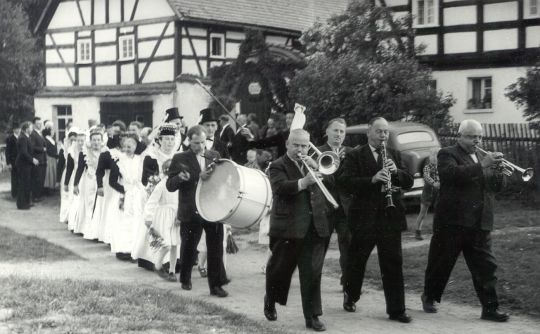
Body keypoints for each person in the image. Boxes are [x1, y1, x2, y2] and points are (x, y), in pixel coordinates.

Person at [421, 119, 509, 322]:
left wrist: (497, 172)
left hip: (479, 223)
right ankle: (429, 296)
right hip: (453, 222)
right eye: (471, 136)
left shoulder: (482, 156)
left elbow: (496, 187)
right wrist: (483, 166)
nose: (476, 140)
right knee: (441, 264)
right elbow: (451, 176)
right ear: (460, 136)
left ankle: (490, 309)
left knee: (486, 267)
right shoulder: (448, 154)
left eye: (479, 136)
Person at [337, 117, 413, 323]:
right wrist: (371, 180)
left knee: (393, 263)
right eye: (379, 131)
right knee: (357, 260)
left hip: (390, 217)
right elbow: (344, 182)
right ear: (369, 132)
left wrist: (396, 172)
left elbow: (409, 181)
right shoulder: (355, 155)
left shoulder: (395, 154)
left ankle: (397, 310)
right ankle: (351, 294)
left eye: (386, 132)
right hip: (364, 218)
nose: (383, 135)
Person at [264, 129, 332, 332]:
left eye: (304, 145)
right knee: (280, 271)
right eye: (296, 145)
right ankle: (270, 299)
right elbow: (280, 187)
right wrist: (303, 182)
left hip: (314, 227)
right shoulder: (277, 165)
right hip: (288, 228)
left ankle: (312, 316)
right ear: (287, 145)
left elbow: (328, 185)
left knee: (312, 273)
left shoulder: (313, 163)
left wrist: (317, 169)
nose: (301, 149)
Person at [166, 125, 229, 297]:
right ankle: (185, 278)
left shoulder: (214, 156)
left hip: (212, 208)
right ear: (188, 141)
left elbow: (223, 180)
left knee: (215, 247)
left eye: (202, 142)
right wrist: (181, 178)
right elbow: (170, 186)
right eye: (196, 143)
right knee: (189, 247)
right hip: (190, 209)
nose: (200, 147)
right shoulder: (180, 158)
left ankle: (215, 286)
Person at [132, 124, 178, 271]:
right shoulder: (151, 158)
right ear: (159, 140)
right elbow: (146, 180)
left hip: (175, 197)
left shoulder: (179, 157)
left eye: (172, 139)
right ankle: (156, 259)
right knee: (160, 227)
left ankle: (174, 260)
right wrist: (158, 179)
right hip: (158, 197)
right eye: (166, 139)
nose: (170, 142)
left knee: (174, 230)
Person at [318, 118, 352, 288]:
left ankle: (348, 287)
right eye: (335, 130)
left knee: (348, 249)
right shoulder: (317, 152)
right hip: (325, 208)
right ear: (327, 132)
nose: (339, 134)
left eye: (342, 132)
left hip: (345, 209)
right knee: (319, 247)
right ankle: (313, 284)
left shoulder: (351, 153)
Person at [109, 134, 146, 260]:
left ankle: (136, 250)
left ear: (136, 146)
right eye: (126, 145)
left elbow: (143, 178)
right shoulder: (118, 160)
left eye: (131, 145)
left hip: (137, 193)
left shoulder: (140, 160)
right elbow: (112, 181)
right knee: (124, 221)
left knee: (137, 221)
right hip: (124, 193)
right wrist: (124, 190)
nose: (128, 148)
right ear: (123, 146)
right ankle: (123, 249)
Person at [144, 159, 180, 282]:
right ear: (165, 172)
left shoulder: (179, 184)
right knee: (167, 244)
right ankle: (158, 265)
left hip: (176, 217)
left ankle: (172, 271)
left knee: (175, 245)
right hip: (164, 216)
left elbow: (182, 201)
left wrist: (180, 215)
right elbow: (151, 202)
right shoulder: (161, 185)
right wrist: (148, 217)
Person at [75, 131, 105, 240]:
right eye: (94, 140)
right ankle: (89, 230)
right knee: (90, 204)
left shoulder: (105, 152)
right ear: (90, 141)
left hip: (102, 182)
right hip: (90, 181)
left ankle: (99, 232)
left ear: (102, 141)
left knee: (101, 206)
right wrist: (75, 184)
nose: (96, 142)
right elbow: (80, 169)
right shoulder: (85, 152)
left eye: (98, 140)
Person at [414, 148, 440, 240]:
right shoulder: (427, 167)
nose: (434, 158)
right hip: (428, 192)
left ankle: (437, 231)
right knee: (423, 213)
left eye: (436, 156)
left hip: (438, 193)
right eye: (432, 156)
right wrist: (434, 183)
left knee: (438, 213)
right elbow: (426, 176)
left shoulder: (441, 167)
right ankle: (418, 231)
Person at [15, 122, 38, 210]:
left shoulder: (26, 137)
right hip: (23, 164)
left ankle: (26, 202)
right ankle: (21, 204)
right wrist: (32, 160)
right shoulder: (22, 138)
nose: (32, 129)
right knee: (23, 184)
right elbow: (23, 152)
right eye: (31, 127)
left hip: (26, 164)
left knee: (27, 183)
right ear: (26, 129)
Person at [58, 130, 78, 224]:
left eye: (75, 140)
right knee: (66, 195)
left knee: (74, 196)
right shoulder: (64, 150)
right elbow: (61, 164)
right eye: (71, 140)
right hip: (67, 174)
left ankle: (73, 215)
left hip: (76, 174)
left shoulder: (78, 150)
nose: (73, 142)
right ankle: (66, 215)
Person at [29, 117, 47, 202]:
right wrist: (42, 149)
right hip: (37, 159)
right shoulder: (33, 134)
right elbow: (32, 147)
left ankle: (38, 195)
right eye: (38, 124)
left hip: (43, 159)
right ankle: (35, 196)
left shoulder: (40, 133)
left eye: (40, 123)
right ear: (34, 124)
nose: (40, 125)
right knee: (37, 178)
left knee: (41, 178)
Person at [5, 123, 20, 199]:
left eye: (19, 129)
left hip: (19, 161)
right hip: (13, 161)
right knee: (14, 177)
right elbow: (7, 151)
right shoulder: (10, 138)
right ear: (14, 130)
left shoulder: (20, 137)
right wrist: (8, 163)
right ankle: (14, 193)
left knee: (19, 177)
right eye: (17, 129)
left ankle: (19, 192)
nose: (18, 130)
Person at [42, 127, 59, 194]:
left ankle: (52, 187)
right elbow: (47, 150)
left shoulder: (52, 139)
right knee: (49, 174)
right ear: (49, 132)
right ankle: (48, 189)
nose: (53, 132)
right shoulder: (46, 139)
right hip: (49, 157)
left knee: (53, 172)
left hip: (53, 158)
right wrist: (55, 155)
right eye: (52, 131)